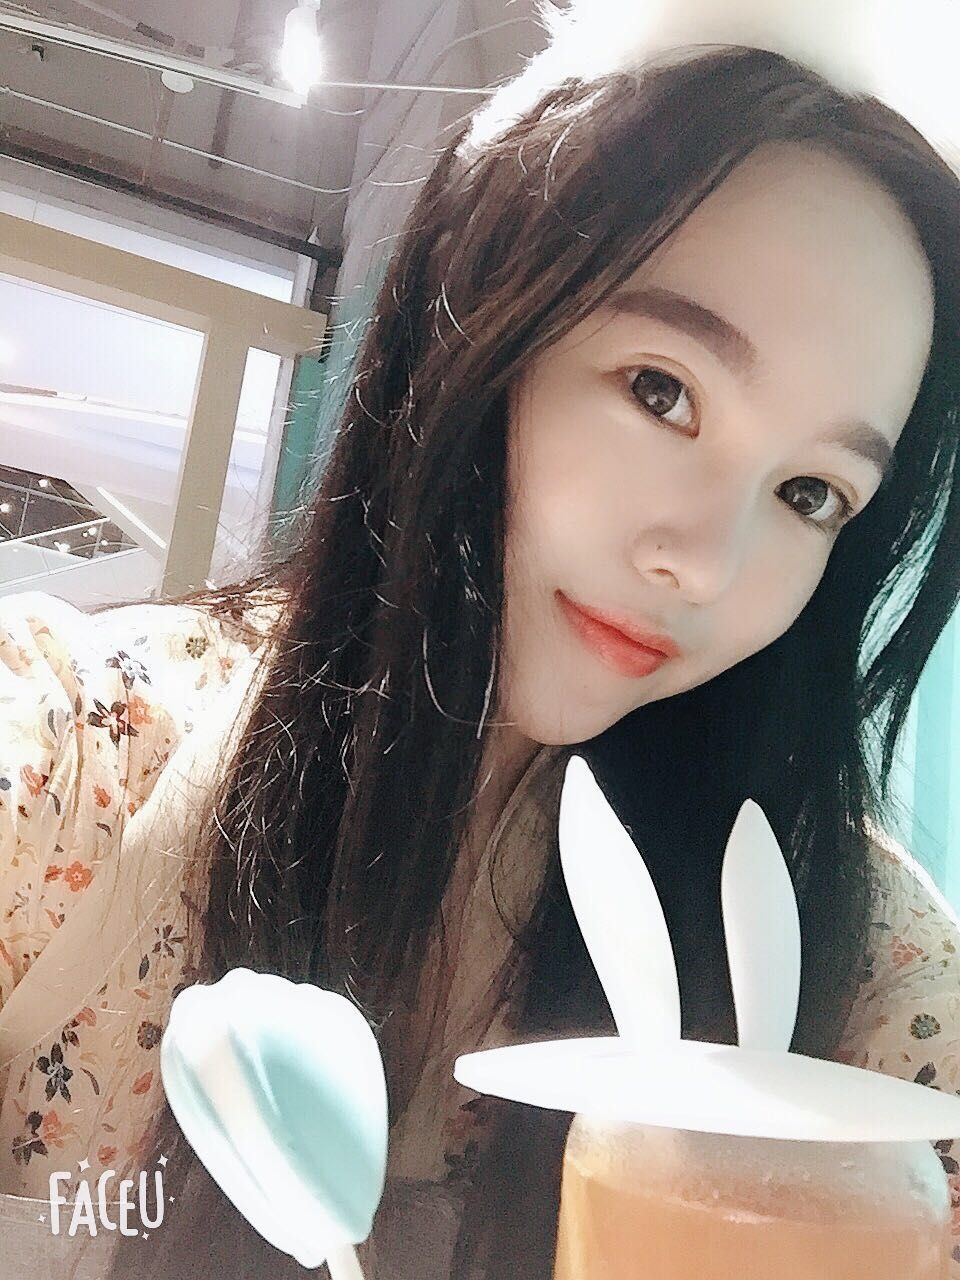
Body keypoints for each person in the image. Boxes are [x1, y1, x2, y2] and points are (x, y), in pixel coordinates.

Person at [0, 39, 957, 1280]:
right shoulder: (72, 760)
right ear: (480, 327)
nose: (705, 563)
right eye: (661, 390)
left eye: (811, 491)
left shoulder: (858, 953)